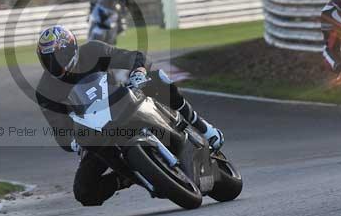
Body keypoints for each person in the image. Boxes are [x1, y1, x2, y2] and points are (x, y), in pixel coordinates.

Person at [35, 25, 224, 206]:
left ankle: (203, 127)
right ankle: (129, 176)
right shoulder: (45, 90)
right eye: (49, 61)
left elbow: (133, 57)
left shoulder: (92, 51)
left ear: (72, 49)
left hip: (122, 101)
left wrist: (138, 72)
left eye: (59, 57)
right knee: (84, 191)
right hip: (96, 130)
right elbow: (59, 128)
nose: (56, 65)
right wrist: (72, 141)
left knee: (158, 78)